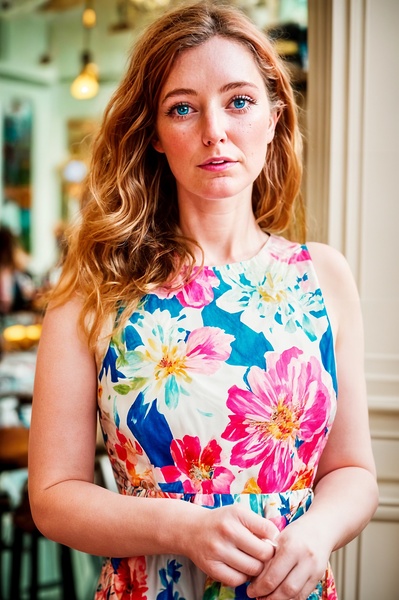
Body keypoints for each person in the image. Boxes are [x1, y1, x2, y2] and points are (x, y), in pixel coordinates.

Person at [28, 2, 378, 599]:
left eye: (239, 101)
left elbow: (354, 472)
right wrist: (184, 528)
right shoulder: (96, 289)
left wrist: (316, 535)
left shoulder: (324, 275)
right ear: (155, 135)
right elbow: (53, 497)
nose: (214, 129)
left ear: (274, 116)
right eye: (183, 108)